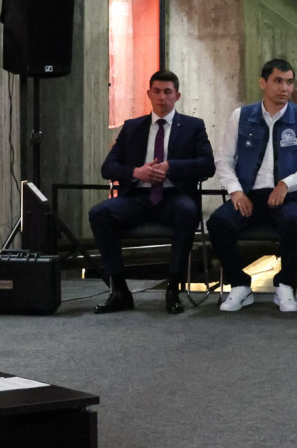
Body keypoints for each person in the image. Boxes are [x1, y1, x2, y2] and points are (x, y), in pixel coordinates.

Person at [90, 70, 216, 315]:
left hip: (173, 197)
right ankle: (119, 290)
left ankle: (173, 288)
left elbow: (207, 165)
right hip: (138, 198)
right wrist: (136, 172)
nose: (161, 97)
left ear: (177, 95)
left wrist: (171, 168)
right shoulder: (133, 127)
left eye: (167, 92)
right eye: (156, 91)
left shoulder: (193, 127)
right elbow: (108, 168)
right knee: (99, 213)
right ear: (149, 93)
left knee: (187, 212)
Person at [209, 59, 297, 314]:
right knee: (218, 223)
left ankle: (284, 284)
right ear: (263, 83)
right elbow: (223, 159)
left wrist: (286, 183)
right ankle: (240, 285)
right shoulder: (240, 117)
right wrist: (236, 191)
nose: (285, 88)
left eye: (289, 82)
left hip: (289, 197)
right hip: (249, 196)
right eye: (278, 81)